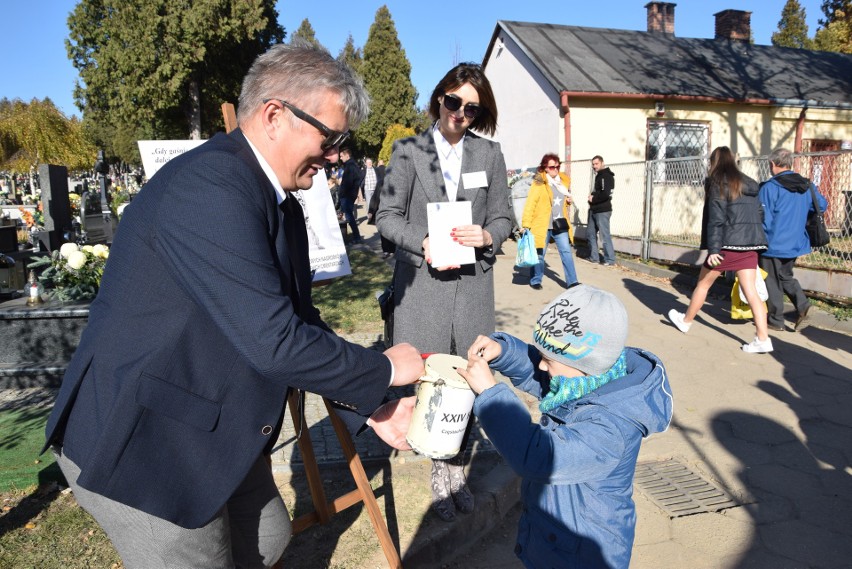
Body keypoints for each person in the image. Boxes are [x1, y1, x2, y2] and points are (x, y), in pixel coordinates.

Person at [42, 43, 425, 569]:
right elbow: (275, 341)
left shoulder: (275, 196)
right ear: (274, 116)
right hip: (149, 440)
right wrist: (382, 368)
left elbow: (295, 320)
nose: (339, 154)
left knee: (267, 536)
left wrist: (370, 396)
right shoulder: (212, 185)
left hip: (212, 423)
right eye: (331, 138)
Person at [376, 62, 513, 522]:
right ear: (439, 99)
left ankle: (455, 461)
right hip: (424, 284)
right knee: (429, 372)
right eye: (454, 102)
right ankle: (440, 468)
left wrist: (489, 236)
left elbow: (503, 216)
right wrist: (424, 241)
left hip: (472, 285)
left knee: (472, 373)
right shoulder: (407, 150)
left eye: (472, 108)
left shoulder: (489, 154)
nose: (460, 114)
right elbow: (387, 216)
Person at [458, 284, 673, 569]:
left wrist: (490, 394)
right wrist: (503, 352)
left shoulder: (610, 426)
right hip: (554, 538)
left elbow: (538, 456)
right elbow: (542, 369)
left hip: (583, 553)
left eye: (549, 360)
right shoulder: (583, 381)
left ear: (587, 362)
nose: (543, 368)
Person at [666, 146, 772, 353]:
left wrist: (714, 249)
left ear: (714, 162)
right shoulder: (750, 184)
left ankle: (686, 321)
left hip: (726, 248)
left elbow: (716, 220)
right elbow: (760, 214)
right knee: (751, 293)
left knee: (703, 285)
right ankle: (763, 338)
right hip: (751, 245)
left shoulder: (718, 184)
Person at [759, 147, 828, 331]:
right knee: (785, 275)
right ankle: (804, 306)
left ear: (773, 164)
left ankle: (775, 321)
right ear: (789, 163)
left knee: (772, 280)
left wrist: (760, 241)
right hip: (796, 242)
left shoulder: (770, 187)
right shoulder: (806, 185)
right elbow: (822, 205)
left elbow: (764, 219)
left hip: (773, 243)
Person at [521, 153, 578, 289]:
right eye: (552, 167)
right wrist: (526, 225)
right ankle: (535, 280)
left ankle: (573, 282)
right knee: (539, 254)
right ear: (545, 167)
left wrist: (568, 202)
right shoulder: (539, 182)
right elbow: (530, 204)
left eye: (558, 166)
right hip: (542, 225)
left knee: (566, 252)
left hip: (559, 223)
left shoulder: (562, 182)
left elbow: (560, 203)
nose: (556, 169)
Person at [587, 155, 616, 265]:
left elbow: (605, 194)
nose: (594, 166)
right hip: (594, 209)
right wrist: (592, 197)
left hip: (603, 210)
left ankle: (610, 259)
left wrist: (593, 198)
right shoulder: (599, 176)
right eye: (593, 164)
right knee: (590, 233)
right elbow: (599, 192)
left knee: (604, 235)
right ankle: (594, 257)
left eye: (596, 164)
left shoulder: (606, 176)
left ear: (602, 163)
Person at [338, 147, 362, 243]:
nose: (340, 158)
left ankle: (357, 237)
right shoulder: (352, 165)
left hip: (347, 195)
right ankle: (355, 236)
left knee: (349, 216)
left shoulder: (350, 166)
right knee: (348, 216)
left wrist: (341, 193)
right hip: (350, 194)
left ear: (347, 155)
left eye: (341, 156)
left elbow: (347, 182)